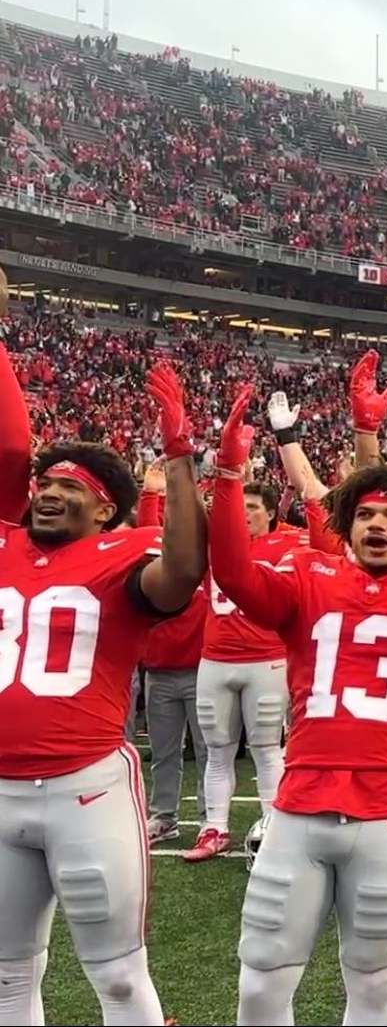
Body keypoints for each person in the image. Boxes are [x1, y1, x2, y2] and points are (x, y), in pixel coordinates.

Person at [209, 387, 387, 1027]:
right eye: (365, 515)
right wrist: (225, 480)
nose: (377, 525)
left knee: (370, 986)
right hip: (301, 802)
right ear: (347, 525)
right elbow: (234, 574)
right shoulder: (311, 576)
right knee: (261, 980)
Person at [0, 357, 205, 1026]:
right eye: (44, 482)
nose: (49, 493)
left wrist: (179, 461)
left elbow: (181, 570)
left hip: (84, 787)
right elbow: (7, 448)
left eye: (69, 486)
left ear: (106, 507)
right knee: (5, 974)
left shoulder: (124, 553)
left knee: (117, 975)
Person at [187, 479, 303, 862]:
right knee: (216, 749)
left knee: (267, 748)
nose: (245, 514)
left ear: (272, 512)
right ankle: (214, 828)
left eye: (253, 506)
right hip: (215, 658)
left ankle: (274, 826)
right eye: (240, 507)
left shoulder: (290, 543)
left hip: (265, 658)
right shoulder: (213, 545)